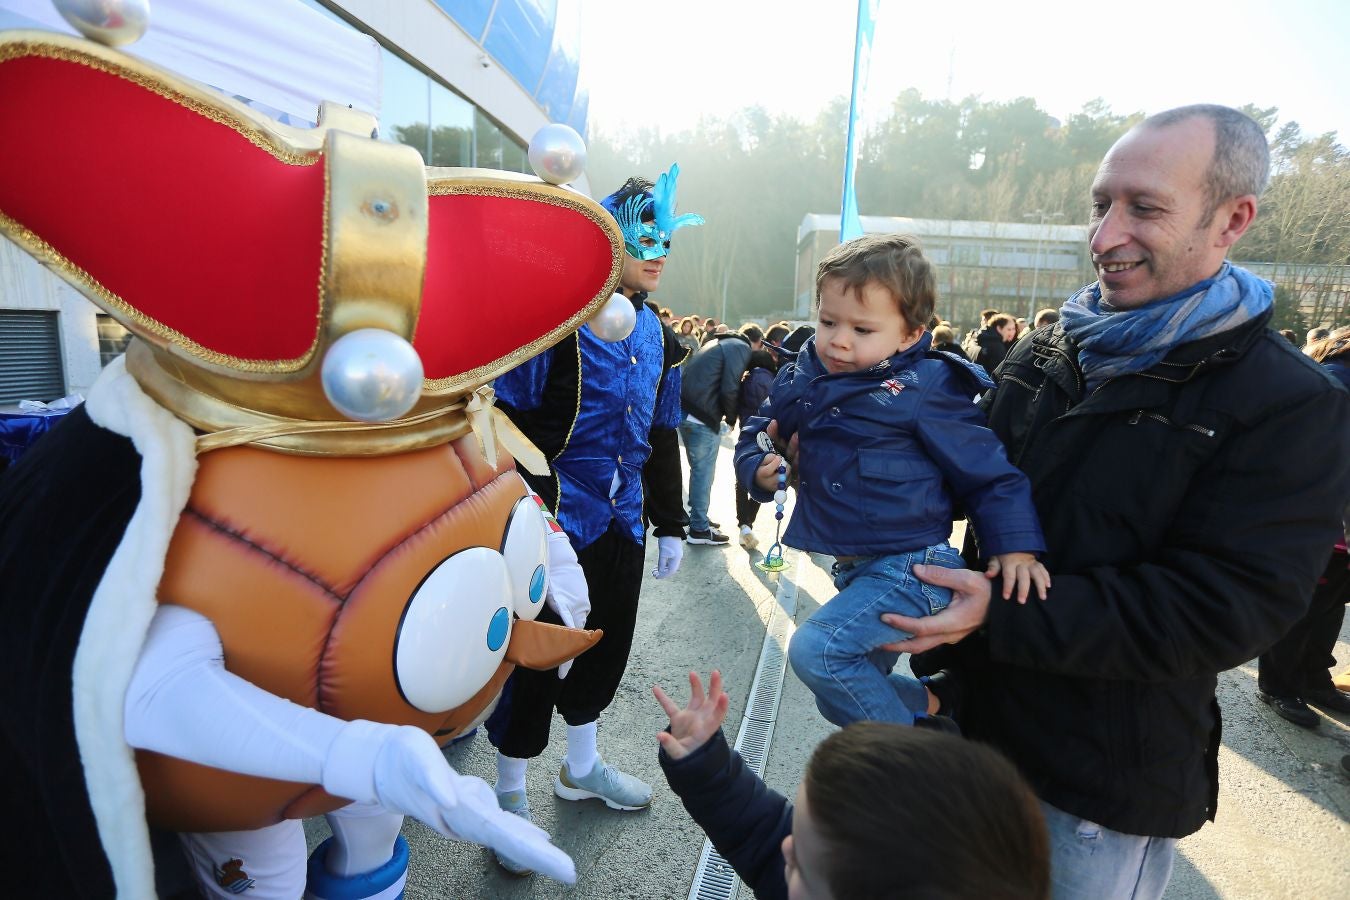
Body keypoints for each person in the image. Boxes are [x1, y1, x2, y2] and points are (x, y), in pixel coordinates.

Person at [878, 105, 1350, 900]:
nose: (1103, 237)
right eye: (1101, 204)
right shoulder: (1053, 344)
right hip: (961, 726)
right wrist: (851, 453)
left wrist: (1003, 610)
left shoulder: (1289, 402)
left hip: (1093, 788)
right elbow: (970, 474)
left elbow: (1226, 607)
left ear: (1232, 219)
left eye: (1145, 207)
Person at [734, 233, 1048, 730]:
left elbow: (989, 473)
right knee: (840, 689)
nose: (839, 340)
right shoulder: (802, 377)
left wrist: (1016, 548)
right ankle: (936, 714)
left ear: (909, 333)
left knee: (817, 653)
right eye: (828, 321)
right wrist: (757, 467)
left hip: (911, 568)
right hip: (855, 569)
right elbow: (759, 433)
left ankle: (907, 769)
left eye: (862, 328)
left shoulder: (926, 386)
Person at [486, 165, 703, 874]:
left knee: (605, 645)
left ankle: (582, 769)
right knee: (536, 655)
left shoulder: (661, 336)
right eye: (646, 236)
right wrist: (525, 513)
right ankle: (509, 800)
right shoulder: (558, 324)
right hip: (552, 518)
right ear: (609, 238)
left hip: (623, 521)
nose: (660, 250)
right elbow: (505, 419)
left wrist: (670, 521)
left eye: (667, 238)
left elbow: (664, 431)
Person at [653, 671, 1051, 900]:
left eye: (803, 862)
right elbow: (762, 831)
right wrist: (704, 763)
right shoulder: (824, 875)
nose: (787, 846)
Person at [1256, 326, 1350, 726]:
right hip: (1321, 518)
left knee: (1329, 608)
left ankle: (1313, 678)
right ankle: (1279, 685)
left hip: (1336, 520)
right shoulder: (1337, 379)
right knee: (1304, 605)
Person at [680, 324, 765, 545]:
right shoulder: (739, 347)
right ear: (756, 342)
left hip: (686, 411)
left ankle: (699, 518)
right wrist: (731, 417)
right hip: (702, 416)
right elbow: (730, 386)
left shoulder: (717, 342)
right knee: (703, 473)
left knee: (699, 472)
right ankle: (698, 530)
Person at [733, 349, 779, 550]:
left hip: (746, 433)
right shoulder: (771, 380)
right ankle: (748, 521)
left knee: (742, 479)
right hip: (765, 435)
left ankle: (745, 524)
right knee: (760, 480)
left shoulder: (746, 379)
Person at [973, 312, 1017, 378]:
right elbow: (1000, 373)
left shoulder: (981, 338)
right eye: (1009, 329)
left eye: (1014, 329)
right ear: (999, 328)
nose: (1012, 332)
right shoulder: (996, 345)